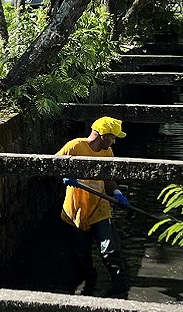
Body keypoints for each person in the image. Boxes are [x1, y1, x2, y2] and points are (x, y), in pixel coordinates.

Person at [56, 116, 131, 297]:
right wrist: (66, 174)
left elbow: (108, 177)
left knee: (110, 249)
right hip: (76, 209)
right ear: (103, 135)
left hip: (99, 207)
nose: (114, 141)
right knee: (80, 255)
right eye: (112, 137)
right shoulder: (74, 147)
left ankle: (121, 288)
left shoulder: (107, 152)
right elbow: (54, 164)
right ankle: (89, 281)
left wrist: (117, 193)